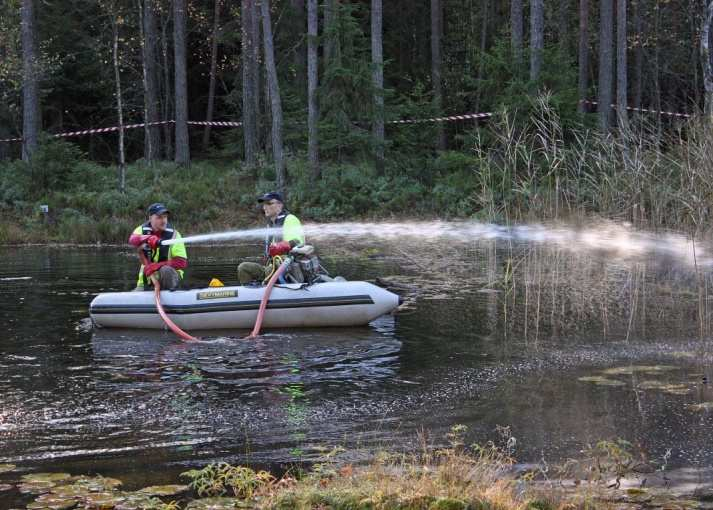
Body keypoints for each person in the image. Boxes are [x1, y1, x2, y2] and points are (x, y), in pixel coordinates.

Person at [238, 191, 306, 284]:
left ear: (280, 205)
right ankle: (251, 294)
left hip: (287, 270)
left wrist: (281, 246)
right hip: (273, 268)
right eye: (264, 204)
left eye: (269, 203)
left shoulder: (290, 219)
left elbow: (298, 242)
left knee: (269, 269)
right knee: (244, 268)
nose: (265, 207)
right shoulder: (272, 225)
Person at [128, 203, 188, 291]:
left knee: (165, 270)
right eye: (159, 217)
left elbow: (182, 263)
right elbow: (132, 240)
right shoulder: (141, 230)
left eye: (165, 217)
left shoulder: (175, 235)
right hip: (146, 280)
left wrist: (157, 266)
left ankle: (171, 294)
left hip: (170, 280)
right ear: (150, 218)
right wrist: (149, 238)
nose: (163, 221)